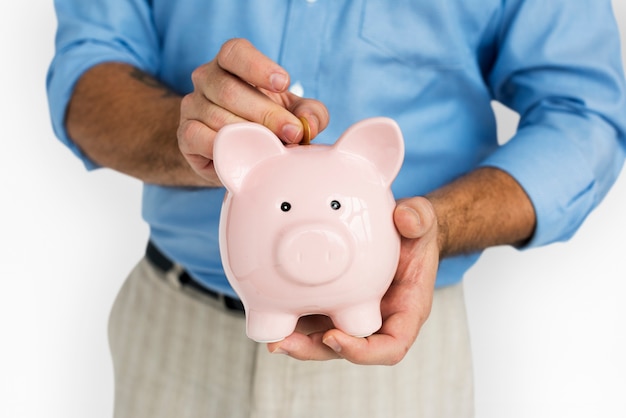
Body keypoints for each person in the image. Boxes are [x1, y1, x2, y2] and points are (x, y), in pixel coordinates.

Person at [47, 1, 626, 417]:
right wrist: (194, 138)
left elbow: (585, 116)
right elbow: (90, 67)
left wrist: (434, 225)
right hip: (177, 331)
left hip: (404, 334)